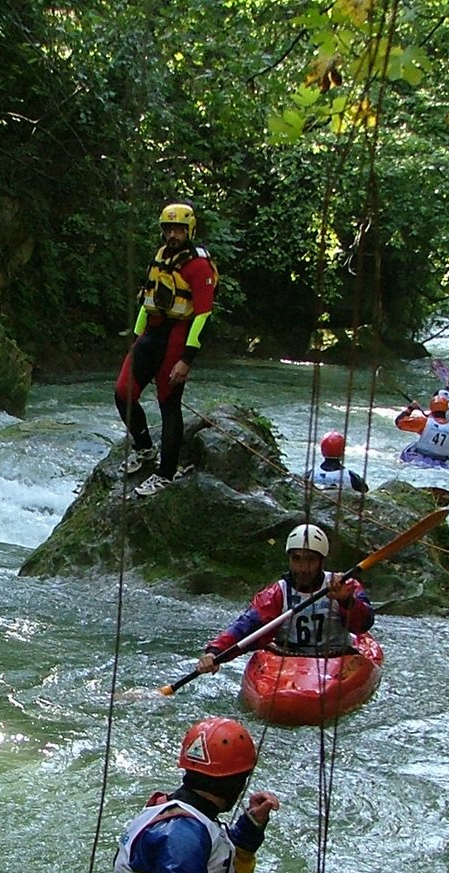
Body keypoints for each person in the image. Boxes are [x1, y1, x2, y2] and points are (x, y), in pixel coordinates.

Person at [110, 716, 296, 873]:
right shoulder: (180, 833)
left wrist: (250, 826)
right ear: (235, 783)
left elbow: (214, 868)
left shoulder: (183, 816)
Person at [115, 201, 219, 499]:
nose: (172, 235)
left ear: (190, 230)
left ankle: (166, 473)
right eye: (168, 229)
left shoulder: (199, 266)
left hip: (178, 334)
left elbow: (202, 315)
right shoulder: (160, 256)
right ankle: (145, 447)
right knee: (123, 392)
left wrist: (186, 359)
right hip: (152, 332)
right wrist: (136, 338)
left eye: (178, 229)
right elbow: (148, 300)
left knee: (168, 403)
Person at [196, 523, 373, 672]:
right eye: (297, 559)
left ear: (321, 561)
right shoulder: (276, 594)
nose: (303, 568)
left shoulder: (343, 585)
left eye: (310, 560)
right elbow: (245, 628)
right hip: (288, 661)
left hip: (335, 658)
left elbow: (364, 624)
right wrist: (215, 652)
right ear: (289, 559)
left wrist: (346, 601)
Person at [396, 396, 449, 465]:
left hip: (420, 459)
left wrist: (411, 408)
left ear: (431, 408)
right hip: (441, 462)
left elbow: (399, 422)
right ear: (447, 409)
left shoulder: (423, 422)